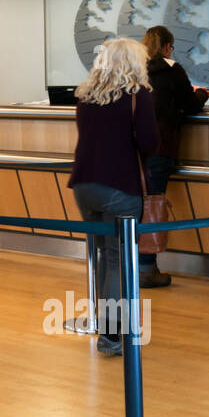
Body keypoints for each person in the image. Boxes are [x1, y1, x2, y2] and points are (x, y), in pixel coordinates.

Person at [68, 38, 159, 356]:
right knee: (118, 261)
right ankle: (112, 336)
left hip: (84, 185)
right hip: (119, 186)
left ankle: (106, 329)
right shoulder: (138, 95)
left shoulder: (86, 95)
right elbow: (149, 142)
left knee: (102, 258)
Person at [140, 26, 209, 287]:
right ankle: (147, 269)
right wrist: (202, 94)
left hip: (133, 150)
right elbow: (191, 104)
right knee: (152, 206)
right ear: (168, 46)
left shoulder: (134, 70)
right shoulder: (172, 69)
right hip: (160, 148)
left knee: (134, 207)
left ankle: (131, 265)